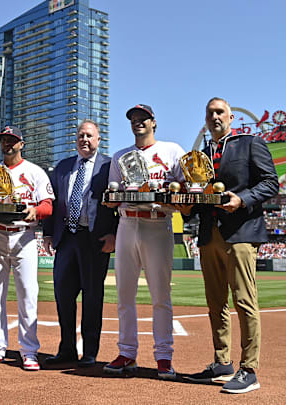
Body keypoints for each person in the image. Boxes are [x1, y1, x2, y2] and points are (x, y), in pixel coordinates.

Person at [181, 98, 278, 394]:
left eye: (219, 112)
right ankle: (222, 362)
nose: (214, 117)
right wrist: (186, 207)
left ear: (231, 117)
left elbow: (270, 183)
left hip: (241, 232)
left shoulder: (250, 142)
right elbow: (200, 195)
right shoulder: (200, 155)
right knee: (215, 302)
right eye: (210, 113)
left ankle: (249, 369)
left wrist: (243, 199)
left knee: (244, 301)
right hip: (210, 234)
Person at [101, 104, 185, 380]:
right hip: (127, 223)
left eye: (143, 119)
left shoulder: (172, 151)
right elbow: (113, 194)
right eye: (134, 119)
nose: (138, 123)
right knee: (125, 295)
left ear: (154, 122)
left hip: (157, 223)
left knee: (161, 295)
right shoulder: (121, 156)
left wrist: (165, 196)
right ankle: (127, 352)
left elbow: (185, 190)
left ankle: (163, 356)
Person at [0, 125, 54, 371]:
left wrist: (37, 211)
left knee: (28, 296)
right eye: (4, 140)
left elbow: (48, 205)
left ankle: (29, 351)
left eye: (12, 140)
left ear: (22, 144)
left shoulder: (34, 171)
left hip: (24, 236)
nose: (7, 143)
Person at [42, 119, 117, 368]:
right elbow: (52, 203)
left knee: (92, 297)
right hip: (66, 239)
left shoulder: (109, 166)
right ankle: (66, 349)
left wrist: (114, 234)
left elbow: (120, 202)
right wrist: (48, 233)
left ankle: (90, 352)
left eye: (89, 136)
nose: (84, 139)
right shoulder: (63, 167)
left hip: (94, 239)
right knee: (63, 297)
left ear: (98, 140)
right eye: (81, 135)